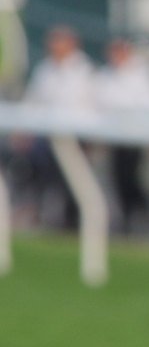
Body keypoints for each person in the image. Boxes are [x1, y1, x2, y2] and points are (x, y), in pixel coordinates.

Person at [21, 26, 97, 231]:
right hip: (48, 136)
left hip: (76, 136)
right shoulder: (45, 69)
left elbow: (92, 106)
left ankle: (73, 224)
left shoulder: (85, 70)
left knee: (73, 182)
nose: (54, 46)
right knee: (38, 173)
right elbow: (32, 101)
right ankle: (38, 214)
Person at [94, 38, 149, 235]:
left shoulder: (144, 76)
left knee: (131, 178)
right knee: (118, 179)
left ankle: (146, 212)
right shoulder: (105, 75)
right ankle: (128, 218)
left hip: (137, 137)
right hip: (115, 139)